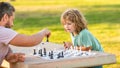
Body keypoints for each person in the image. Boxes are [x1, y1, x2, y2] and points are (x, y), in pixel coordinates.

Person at [0, 2, 51, 66]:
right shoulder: (2, 31)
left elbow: (3, 46)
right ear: (5, 17)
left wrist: (8, 56)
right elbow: (31, 41)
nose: (12, 24)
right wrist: (43, 32)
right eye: (12, 20)